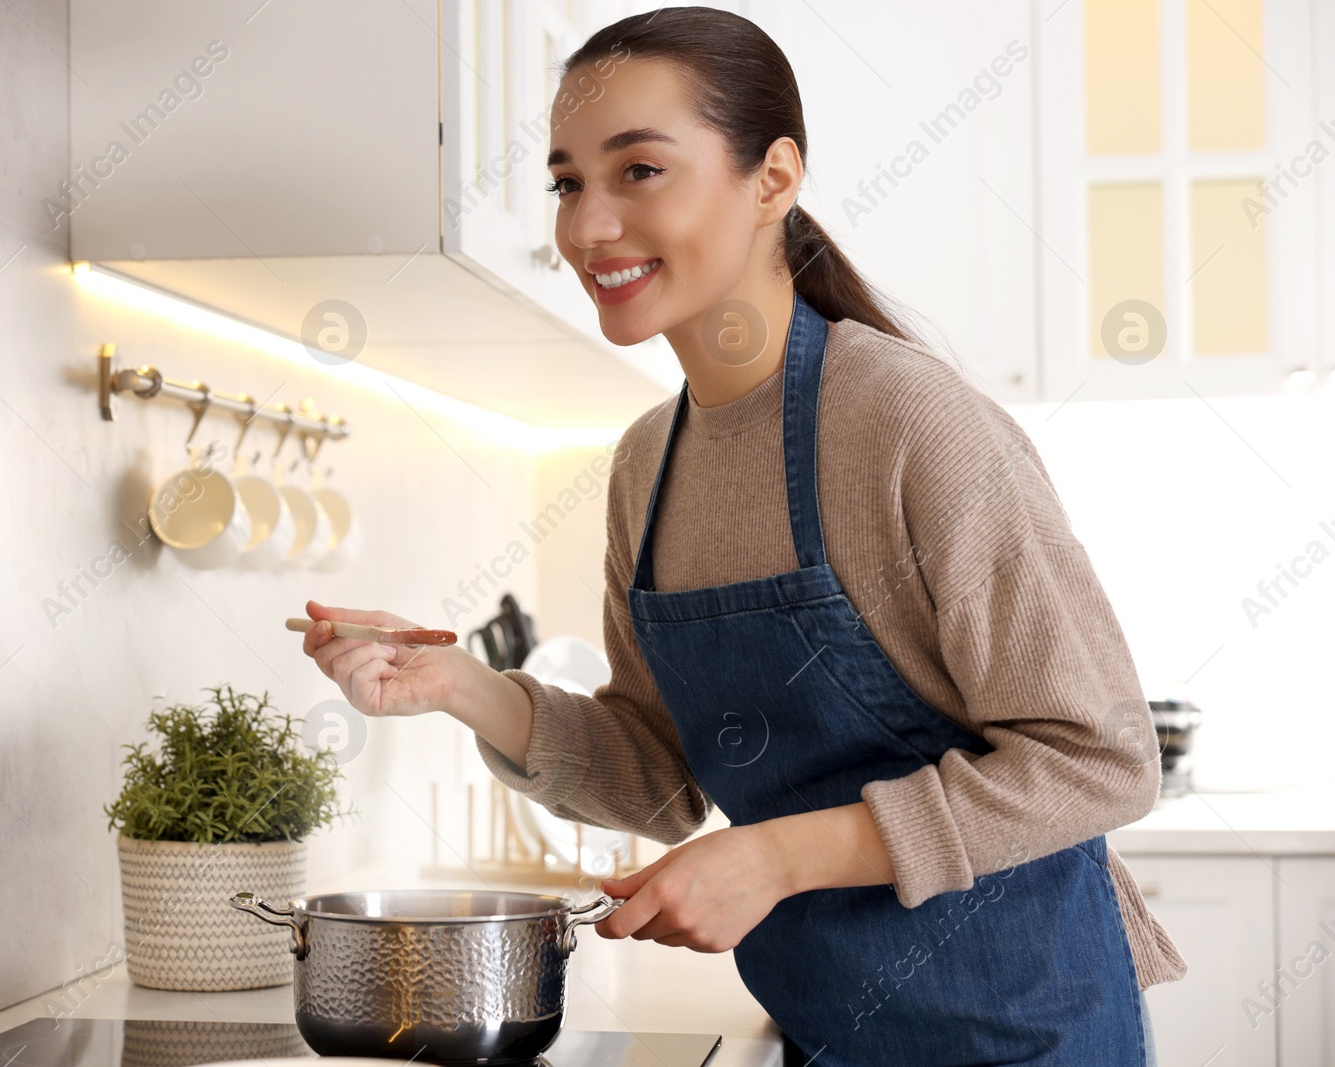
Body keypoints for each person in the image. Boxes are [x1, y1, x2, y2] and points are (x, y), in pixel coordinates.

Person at [299, 7, 1184, 1065]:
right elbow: (663, 777)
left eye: (639, 171)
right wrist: (459, 687)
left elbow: (1100, 757)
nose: (586, 227)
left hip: (1022, 1029)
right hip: (825, 1025)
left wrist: (773, 858)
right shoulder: (646, 464)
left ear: (772, 178)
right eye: (567, 182)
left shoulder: (906, 422)